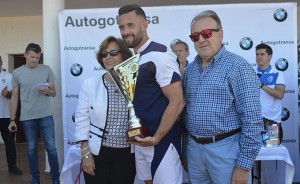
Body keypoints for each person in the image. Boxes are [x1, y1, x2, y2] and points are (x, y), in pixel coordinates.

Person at [182, 10, 263, 184]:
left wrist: (243, 167)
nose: (201, 40)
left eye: (206, 33)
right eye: (195, 36)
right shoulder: (190, 70)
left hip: (227, 152)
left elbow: (253, 120)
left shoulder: (238, 66)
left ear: (221, 34)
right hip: (195, 151)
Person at [118, 4, 185, 184]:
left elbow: (178, 102)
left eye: (130, 25)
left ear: (145, 25)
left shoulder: (160, 55)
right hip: (142, 142)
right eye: (122, 27)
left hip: (162, 142)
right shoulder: (133, 60)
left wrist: (157, 138)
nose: (125, 31)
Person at [74, 36, 136, 184]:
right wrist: (85, 154)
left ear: (124, 55)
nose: (108, 57)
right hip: (97, 153)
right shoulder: (90, 84)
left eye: (113, 53)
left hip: (127, 154)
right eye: (104, 54)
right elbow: (81, 119)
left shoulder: (135, 83)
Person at [9, 43, 60, 184]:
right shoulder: (17, 72)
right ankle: (35, 178)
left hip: (46, 115)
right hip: (27, 117)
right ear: (25, 55)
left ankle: (56, 178)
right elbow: (14, 97)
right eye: (32, 57)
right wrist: (12, 119)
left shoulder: (46, 69)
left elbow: (54, 92)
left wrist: (47, 91)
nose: (35, 60)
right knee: (31, 148)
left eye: (37, 58)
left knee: (51, 147)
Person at [256, 43, 285, 141]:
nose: (259, 57)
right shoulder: (251, 72)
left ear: (270, 56)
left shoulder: (277, 73)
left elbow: (280, 94)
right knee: (255, 154)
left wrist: (261, 85)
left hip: (272, 122)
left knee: (272, 152)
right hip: (254, 122)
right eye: (257, 54)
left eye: (262, 54)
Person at [0, 56, 23, 175]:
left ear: (1, 62)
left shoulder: (9, 77)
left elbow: (15, 96)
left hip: (6, 116)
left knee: (9, 143)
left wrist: (7, 94)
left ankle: (12, 166)